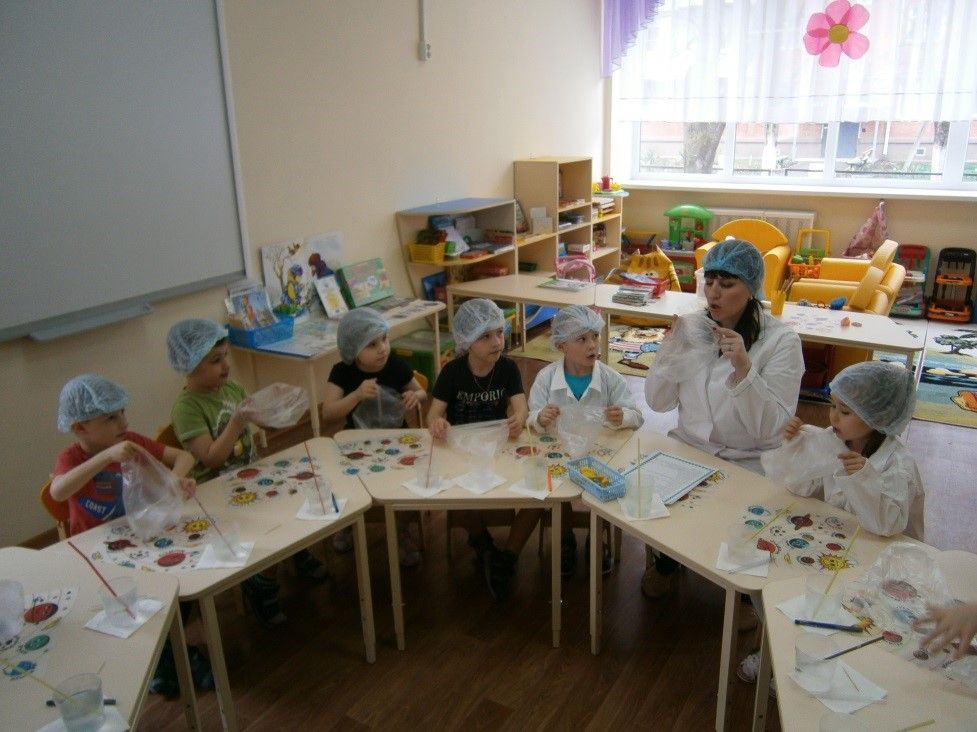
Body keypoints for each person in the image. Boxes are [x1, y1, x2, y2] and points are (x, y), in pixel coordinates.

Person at [642, 239, 805, 599]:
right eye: (710, 281)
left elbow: (772, 429)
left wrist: (744, 368)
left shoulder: (781, 342)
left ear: (752, 290)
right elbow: (657, 402)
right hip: (690, 447)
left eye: (727, 284)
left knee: (744, 529)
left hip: (749, 458)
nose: (714, 292)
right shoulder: (692, 327)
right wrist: (670, 352)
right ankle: (667, 561)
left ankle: (745, 594)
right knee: (653, 503)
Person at [50, 373, 211, 696]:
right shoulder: (72, 458)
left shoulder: (131, 442)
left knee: (183, 584)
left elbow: (184, 456)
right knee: (137, 601)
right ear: (79, 427)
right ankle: (168, 659)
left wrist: (173, 481)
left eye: (122, 412)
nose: (123, 421)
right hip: (99, 557)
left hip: (139, 540)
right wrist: (104, 458)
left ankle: (165, 656)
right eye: (110, 418)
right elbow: (58, 492)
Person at [167, 318, 329, 628]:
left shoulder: (231, 389)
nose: (225, 365)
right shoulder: (186, 408)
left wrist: (280, 409)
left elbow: (260, 419)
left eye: (225, 356)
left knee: (295, 500)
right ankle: (260, 587)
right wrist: (238, 420)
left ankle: (296, 552)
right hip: (216, 493)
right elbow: (212, 459)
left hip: (250, 477)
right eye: (216, 360)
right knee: (266, 524)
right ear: (190, 365)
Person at [528, 304, 644, 576]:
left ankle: (597, 538)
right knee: (557, 491)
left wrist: (622, 416)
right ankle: (565, 537)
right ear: (561, 346)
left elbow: (637, 416)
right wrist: (540, 418)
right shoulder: (546, 378)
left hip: (599, 453)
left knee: (604, 490)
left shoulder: (610, 378)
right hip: (559, 452)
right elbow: (532, 418)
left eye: (595, 336)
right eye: (582, 339)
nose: (592, 345)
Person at [428, 298, 530, 600]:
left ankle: (507, 556)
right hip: (462, 452)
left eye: (499, 332)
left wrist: (518, 420)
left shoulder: (508, 368)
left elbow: (521, 407)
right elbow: (433, 415)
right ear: (467, 342)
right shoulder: (452, 372)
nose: (497, 342)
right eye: (485, 336)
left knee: (534, 493)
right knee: (453, 496)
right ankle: (483, 543)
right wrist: (438, 424)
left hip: (499, 449)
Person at [762, 360, 924, 540]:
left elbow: (887, 526)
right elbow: (801, 488)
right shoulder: (833, 440)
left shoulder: (898, 465)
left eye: (845, 412)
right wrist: (797, 447)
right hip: (841, 535)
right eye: (833, 406)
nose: (833, 417)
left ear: (879, 417)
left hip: (885, 548)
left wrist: (864, 480)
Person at [321, 307, 426, 566]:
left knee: (407, 482)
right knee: (347, 481)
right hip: (356, 442)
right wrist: (356, 395)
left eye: (384, 339)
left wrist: (414, 396)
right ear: (353, 349)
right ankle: (349, 522)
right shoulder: (343, 372)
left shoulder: (395, 365)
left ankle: (402, 531)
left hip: (397, 439)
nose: (382, 349)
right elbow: (328, 413)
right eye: (372, 344)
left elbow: (422, 392)